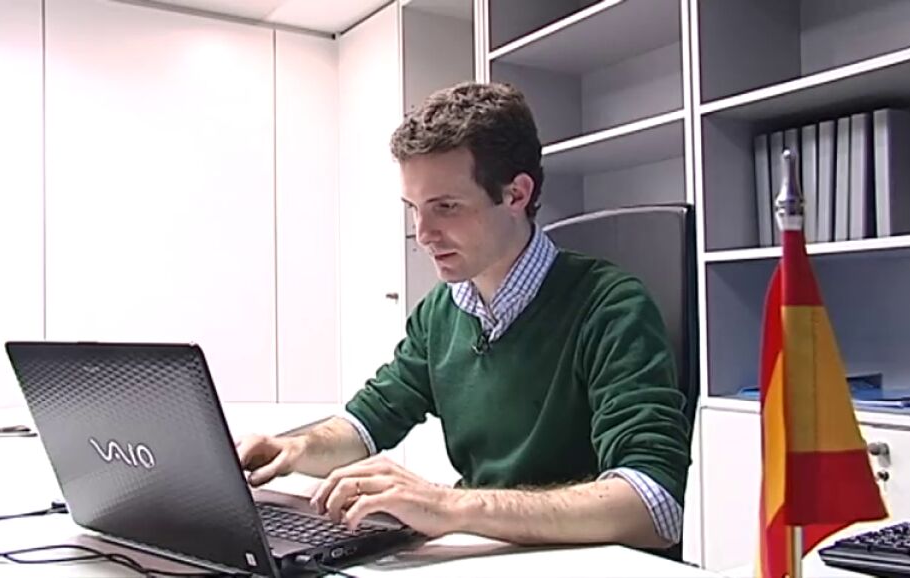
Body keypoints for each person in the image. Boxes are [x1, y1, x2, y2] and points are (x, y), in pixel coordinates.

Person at [237, 81, 691, 557]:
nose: (423, 234)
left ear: (516, 194)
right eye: (414, 210)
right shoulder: (441, 310)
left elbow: (654, 505)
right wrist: (294, 448)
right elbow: (367, 422)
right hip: (485, 555)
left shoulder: (611, 306)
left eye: (446, 207)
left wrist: (450, 505)